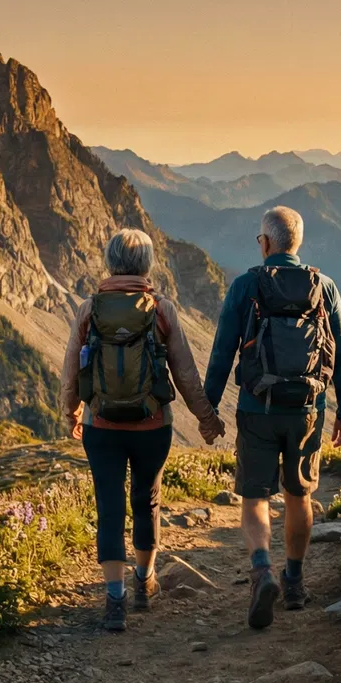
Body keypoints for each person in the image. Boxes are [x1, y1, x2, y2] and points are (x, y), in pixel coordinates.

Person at [62, 228, 227, 632]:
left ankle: (114, 601)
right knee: (147, 500)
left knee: (109, 506)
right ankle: (144, 582)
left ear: (110, 262)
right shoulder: (161, 309)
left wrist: (71, 414)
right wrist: (207, 419)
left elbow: (70, 372)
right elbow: (185, 373)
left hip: (100, 425)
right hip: (152, 425)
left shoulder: (89, 310)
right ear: (147, 265)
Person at [202, 205, 341, 630]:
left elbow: (222, 351)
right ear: (297, 244)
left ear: (265, 243)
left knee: (254, 498)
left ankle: (262, 569)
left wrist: (208, 408)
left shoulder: (246, 286)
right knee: (299, 496)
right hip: (307, 410)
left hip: (257, 408)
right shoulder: (324, 287)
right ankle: (294, 581)